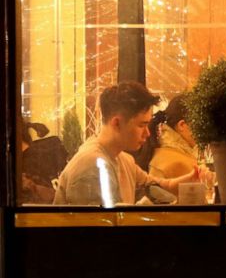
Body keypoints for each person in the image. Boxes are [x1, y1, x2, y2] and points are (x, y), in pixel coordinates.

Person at [54, 82, 199, 206]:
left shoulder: (123, 159)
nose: (147, 133)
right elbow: (98, 231)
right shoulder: (93, 166)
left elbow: (154, 186)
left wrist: (190, 179)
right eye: (142, 125)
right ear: (117, 123)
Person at [140, 94, 209, 180]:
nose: (205, 130)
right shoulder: (177, 163)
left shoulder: (161, 153)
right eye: (201, 123)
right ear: (182, 125)